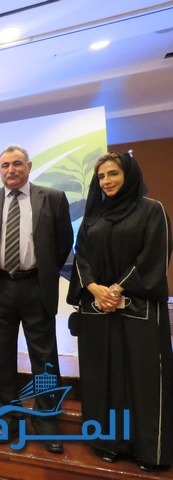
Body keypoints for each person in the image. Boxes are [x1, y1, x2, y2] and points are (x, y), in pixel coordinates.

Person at [67, 152, 173, 471]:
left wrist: (116, 289)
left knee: (142, 380)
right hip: (98, 312)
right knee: (104, 380)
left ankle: (147, 449)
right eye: (101, 177)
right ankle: (109, 443)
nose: (106, 181)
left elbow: (153, 256)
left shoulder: (152, 210)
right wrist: (94, 288)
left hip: (138, 312)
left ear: (129, 175)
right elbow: (81, 256)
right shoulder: (94, 216)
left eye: (113, 174)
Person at [0, 145, 72, 453]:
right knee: (2, 356)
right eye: (5, 165)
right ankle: (9, 417)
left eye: (17, 164)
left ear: (29, 166)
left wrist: (43, 271)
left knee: (44, 357)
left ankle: (46, 421)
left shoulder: (52, 198)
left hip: (36, 285)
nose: (11, 170)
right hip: (1, 286)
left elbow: (64, 242)